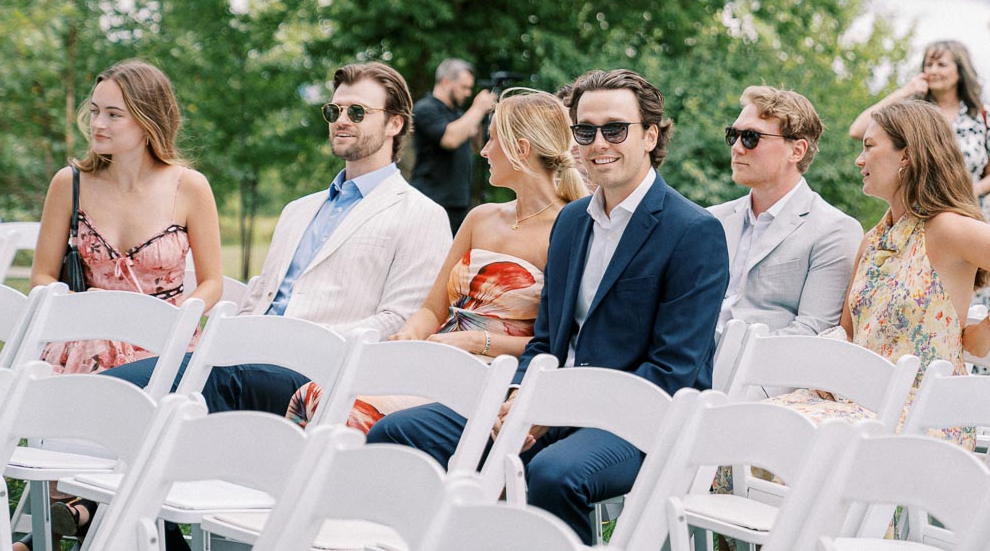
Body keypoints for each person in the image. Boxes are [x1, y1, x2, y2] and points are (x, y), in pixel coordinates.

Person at [367, 68, 729, 543]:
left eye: (615, 129)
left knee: (554, 474)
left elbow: (672, 371)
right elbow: (545, 341)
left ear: (650, 136)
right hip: (545, 399)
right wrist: (520, 395)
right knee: (397, 432)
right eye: (586, 131)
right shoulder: (572, 221)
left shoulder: (693, 231)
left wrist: (554, 408)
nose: (599, 143)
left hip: (640, 417)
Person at [105, 61, 450, 415]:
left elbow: (400, 320)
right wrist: (235, 340)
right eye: (334, 111)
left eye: (358, 112)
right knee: (151, 383)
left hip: (320, 373)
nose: (342, 120)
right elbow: (260, 296)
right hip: (245, 359)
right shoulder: (298, 210)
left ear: (395, 123)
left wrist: (295, 345)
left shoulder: (422, 215)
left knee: (150, 386)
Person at [285, 88, 587, 431]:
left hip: (487, 376)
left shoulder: (568, 228)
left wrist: (476, 341)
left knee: (352, 413)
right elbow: (432, 309)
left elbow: (558, 344)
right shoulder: (480, 218)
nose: (483, 151)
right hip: (433, 357)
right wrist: (409, 335)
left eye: (492, 139)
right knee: (314, 394)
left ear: (521, 149)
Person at [770, 101, 990, 442]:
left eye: (869, 147)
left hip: (927, 413)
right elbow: (848, 335)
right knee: (753, 425)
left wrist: (987, 332)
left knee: (795, 436)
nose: (859, 160)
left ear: (907, 156)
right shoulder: (872, 241)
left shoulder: (947, 229)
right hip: (857, 404)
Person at [19, 59, 224, 550]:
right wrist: (79, 306)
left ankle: (71, 521)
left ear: (148, 120)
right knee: (105, 445)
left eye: (114, 115)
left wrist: (178, 320)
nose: (98, 124)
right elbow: (41, 277)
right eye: (95, 111)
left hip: (163, 345)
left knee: (147, 448)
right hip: (84, 343)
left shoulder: (189, 187)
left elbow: (213, 282)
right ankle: (78, 517)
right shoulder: (69, 183)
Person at [709, 85, 863, 340]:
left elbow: (811, 332)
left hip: (762, 364)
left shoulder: (836, 230)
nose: (736, 147)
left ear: (797, 150)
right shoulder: (711, 219)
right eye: (732, 135)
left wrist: (722, 356)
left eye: (750, 137)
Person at [848, 39, 990, 200]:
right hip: (917, 208)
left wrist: (975, 190)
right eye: (929, 64)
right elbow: (858, 130)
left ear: (960, 71)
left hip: (969, 208)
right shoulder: (912, 113)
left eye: (941, 65)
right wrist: (905, 91)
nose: (933, 70)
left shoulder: (983, 115)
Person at [409, 58, 497, 233]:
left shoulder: (458, 114)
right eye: (464, 87)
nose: (468, 93)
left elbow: (476, 146)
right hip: (431, 201)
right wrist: (478, 108)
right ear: (446, 82)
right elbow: (450, 139)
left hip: (458, 204)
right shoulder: (425, 108)